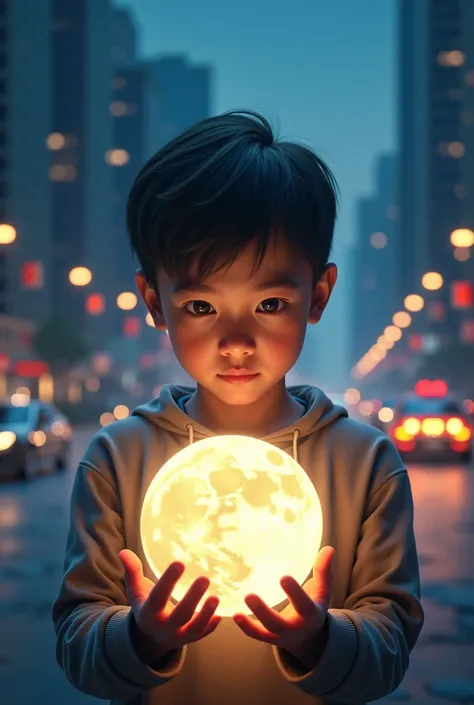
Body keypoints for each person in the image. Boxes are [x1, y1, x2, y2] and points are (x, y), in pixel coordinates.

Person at [52, 110, 424, 705]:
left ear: (318, 295)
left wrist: (320, 639)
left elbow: (392, 642)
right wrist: (141, 638)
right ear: (154, 301)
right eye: (201, 307)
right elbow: (76, 639)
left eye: (271, 302)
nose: (236, 340)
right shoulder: (118, 458)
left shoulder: (365, 462)